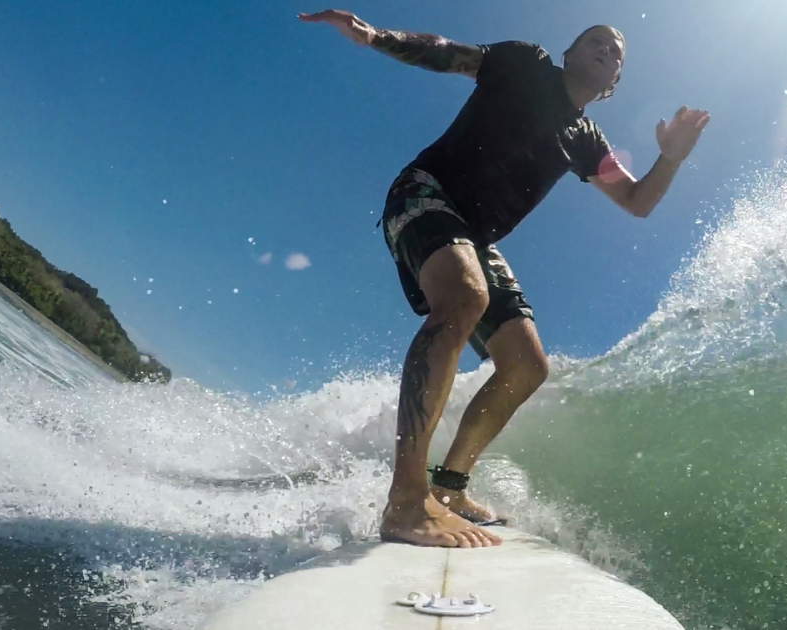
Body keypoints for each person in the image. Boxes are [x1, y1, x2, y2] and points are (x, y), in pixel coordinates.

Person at [299, 9, 709, 549]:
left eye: (616, 54)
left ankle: (447, 489)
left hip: (475, 237)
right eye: (595, 41)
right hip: (425, 191)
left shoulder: (586, 139)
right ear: (568, 53)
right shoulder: (526, 64)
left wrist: (671, 159)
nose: (607, 50)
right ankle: (405, 502)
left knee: (526, 365)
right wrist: (376, 37)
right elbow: (448, 51)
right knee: (465, 296)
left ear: (613, 85)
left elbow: (637, 200)